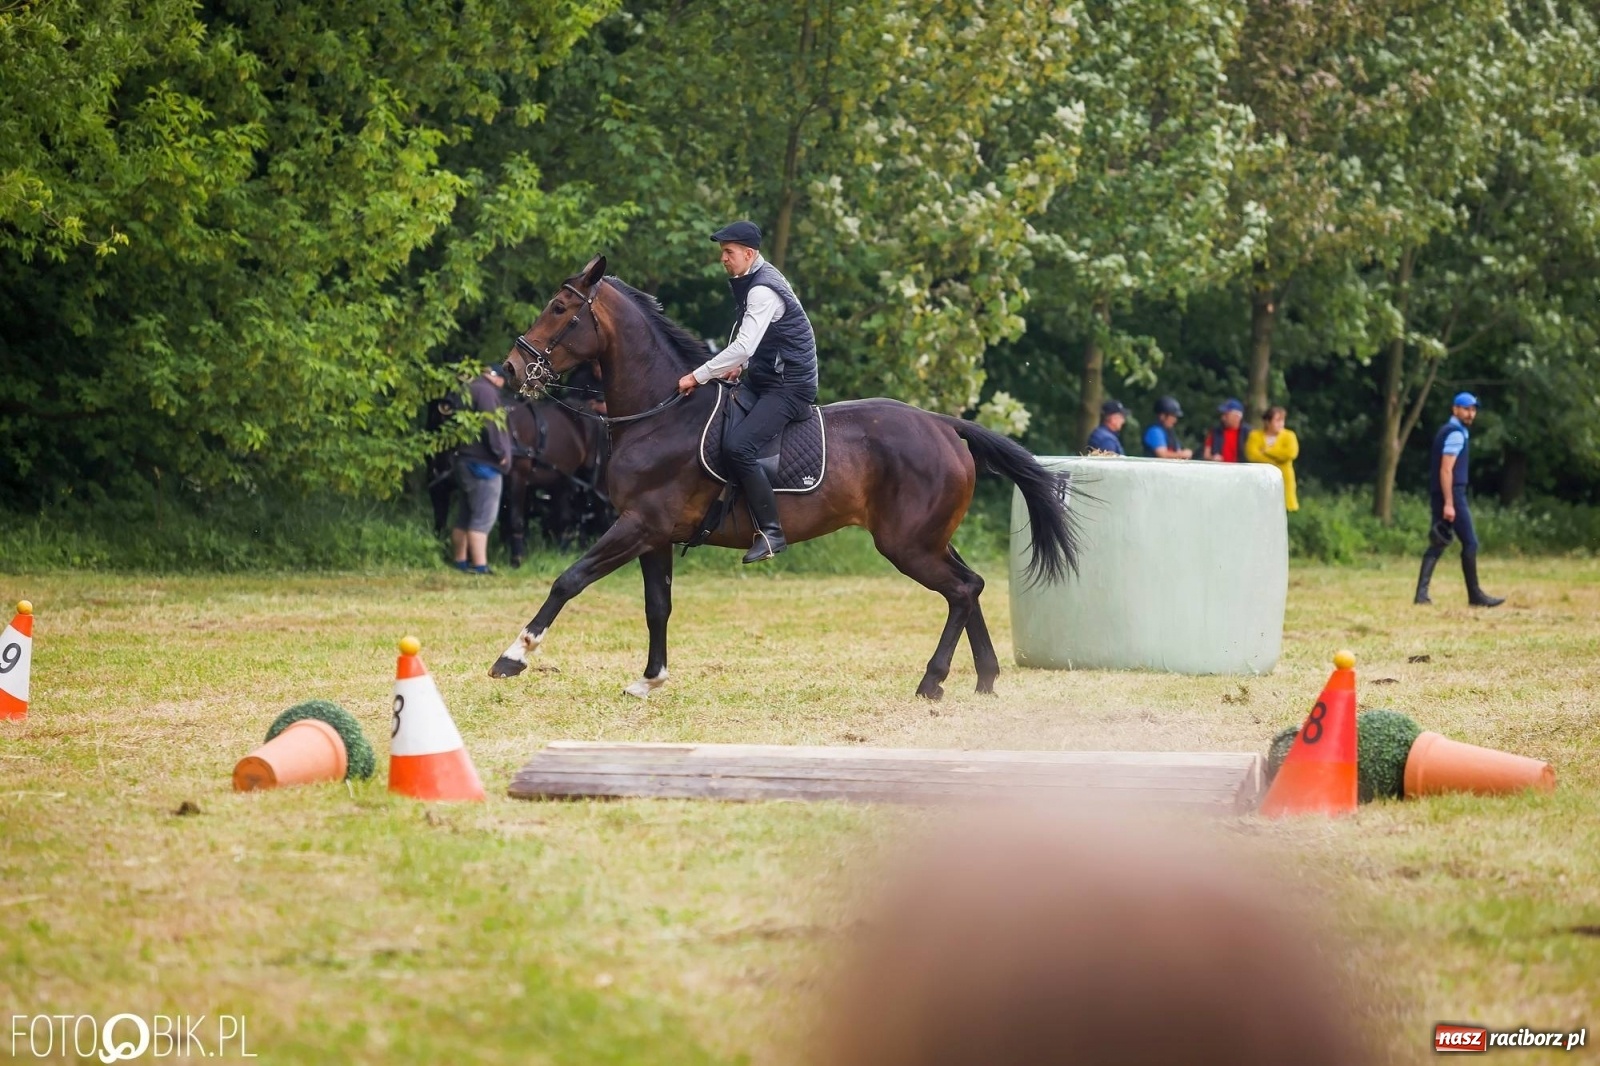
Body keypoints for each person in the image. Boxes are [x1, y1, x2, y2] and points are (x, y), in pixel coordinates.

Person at [676, 220, 819, 563]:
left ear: (749, 254)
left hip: (789, 387)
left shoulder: (762, 290)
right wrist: (738, 367)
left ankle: (772, 532)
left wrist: (698, 375)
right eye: (722, 252)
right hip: (765, 378)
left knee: (738, 446)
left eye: (728, 252)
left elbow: (743, 345)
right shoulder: (754, 278)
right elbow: (754, 345)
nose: (723, 259)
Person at [1414, 392, 1503, 607]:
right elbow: (1446, 470)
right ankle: (1475, 596)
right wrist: (1450, 503)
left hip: (1443, 494)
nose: (1470, 413)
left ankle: (1421, 595)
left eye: (1473, 409)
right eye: (1466, 409)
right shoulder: (1455, 434)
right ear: (1455, 409)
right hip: (1452, 494)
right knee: (1470, 543)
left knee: (1439, 542)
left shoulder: (1448, 430)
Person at [451, 365, 513, 574]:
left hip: (463, 459)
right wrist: (500, 453)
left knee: (465, 515)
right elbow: (491, 425)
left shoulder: (467, 388)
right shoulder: (486, 392)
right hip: (484, 464)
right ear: (496, 378)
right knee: (483, 516)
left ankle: (460, 561)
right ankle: (480, 567)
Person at [1245, 406, 1299, 511]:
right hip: (1260, 481)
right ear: (1267, 422)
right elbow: (1252, 455)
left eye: (1282, 420)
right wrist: (1277, 461)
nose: (1281, 424)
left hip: (1284, 481)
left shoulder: (1289, 436)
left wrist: (1267, 451)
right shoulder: (1254, 436)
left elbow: (1290, 453)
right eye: (1277, 420)